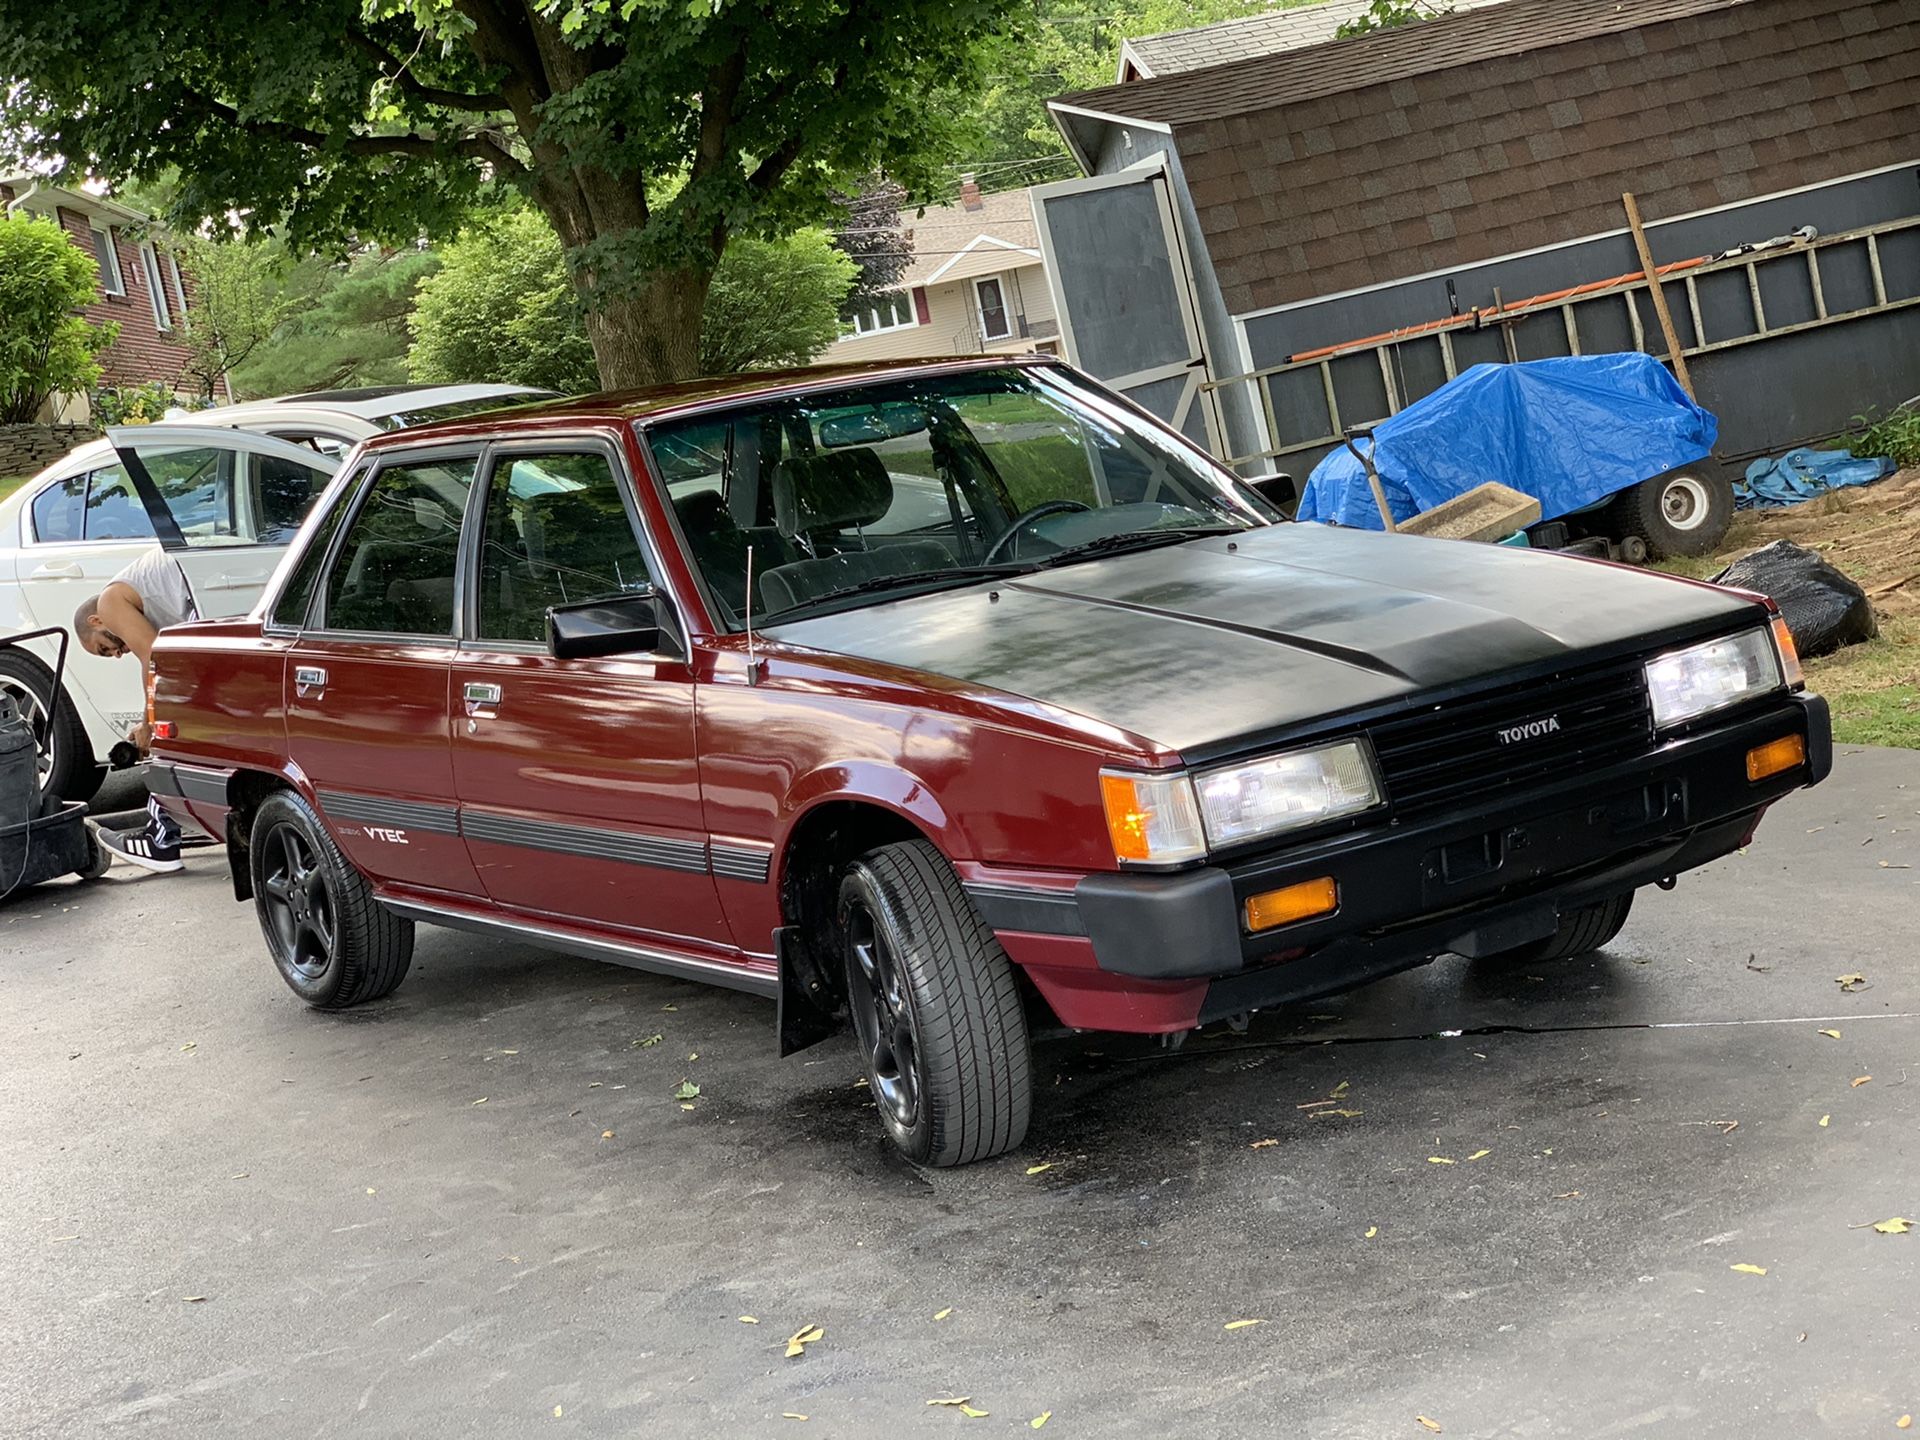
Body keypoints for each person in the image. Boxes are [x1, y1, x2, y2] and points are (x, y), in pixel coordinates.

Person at [71, 546, 198, 873]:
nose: (115, 655)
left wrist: (148, 726)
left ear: (97, 620)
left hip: (203, 586)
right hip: (210, 591)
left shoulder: (110, 601)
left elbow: (154, 660)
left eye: (104, 648)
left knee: (166, 728)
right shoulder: (154, 606)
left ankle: (161, 841)